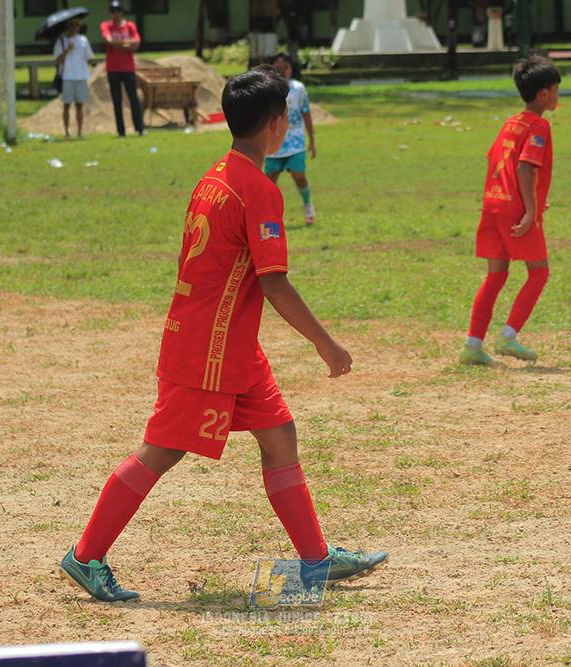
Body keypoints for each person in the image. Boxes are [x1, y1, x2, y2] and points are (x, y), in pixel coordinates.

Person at [59, 66, 388, 603]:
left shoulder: (214, 174)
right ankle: (87, 555)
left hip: (226, 345)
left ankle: (315, 559)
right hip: (207, 351)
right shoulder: (258, 191)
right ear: (277, 124)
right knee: (161, 450)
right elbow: (274, 283)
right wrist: (326, 343)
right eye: (285, 114)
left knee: (280, 437)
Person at [459, 56, 560, 366]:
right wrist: (529, 210)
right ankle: (508, 336)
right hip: (516, 213)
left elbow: (495, 160)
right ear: (544, 93)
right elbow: (525, 166)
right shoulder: (539, 124)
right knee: (539, 272)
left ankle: (473, 346)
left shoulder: (511, 122)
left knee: (496, 276)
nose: (558, 96)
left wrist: (521, 200)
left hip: (493, 206)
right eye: (556, 89)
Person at [263, 53, 317, 225]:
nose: (282, 71)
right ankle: (268, 215)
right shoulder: (267, 89)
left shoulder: (299, 88)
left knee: (298, 175)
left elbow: (306, 114)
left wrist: (312, 141)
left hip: (295, 141)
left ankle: (307, 203)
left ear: (291, 69)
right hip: (273, 142)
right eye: (278, 68)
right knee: (269, 180)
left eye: (286, 67)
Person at [101, 0, 145, 137]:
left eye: (118, 11)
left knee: (134, 98)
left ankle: (140, 129)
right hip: (113, 68)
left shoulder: (130, 25)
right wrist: (127, 45)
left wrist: (118, 45)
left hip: (129, 68)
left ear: (122, 12)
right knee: (117, 101)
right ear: (110, 13)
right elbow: (109, 40)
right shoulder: (106, 25)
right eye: (113, 11)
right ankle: (121, 131)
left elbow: (137, 43)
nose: (116, 14)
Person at [54, 17, 96, 139]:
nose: (74, 27)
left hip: (81, 76)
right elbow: (58, 60)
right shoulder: (62, 41)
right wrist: (68, 50)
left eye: (77, 25)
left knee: (79, 106)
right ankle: (66, 131)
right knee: (66, 105)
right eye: (71, 25)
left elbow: (89, 58)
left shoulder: (83, 40)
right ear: (68, 26)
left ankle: (80, 132)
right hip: (67, 77)